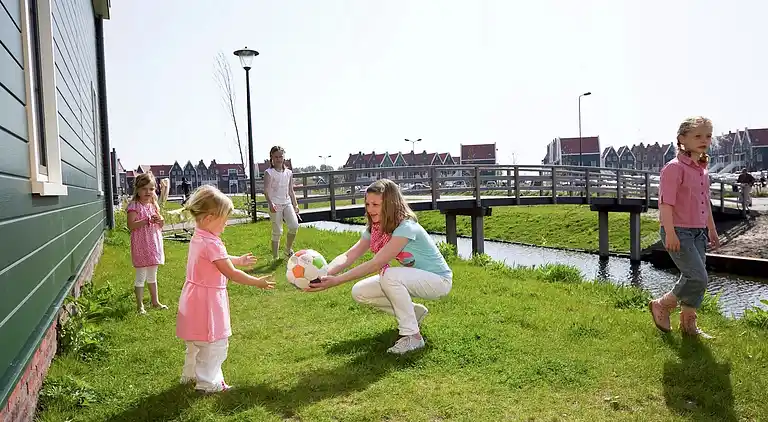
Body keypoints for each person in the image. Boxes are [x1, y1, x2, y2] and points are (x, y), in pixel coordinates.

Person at [305, 179, 453, 354]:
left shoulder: (406, 227)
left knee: (389, 275)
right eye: (367, 203)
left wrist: (337, 281)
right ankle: (414, 313)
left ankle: (412, 337)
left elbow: (376, 263)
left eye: (376, 204)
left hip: (438, 281)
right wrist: (322, 274)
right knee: (360, 291)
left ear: (390, 204)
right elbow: (349, 254)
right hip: (413, 277)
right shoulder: (376, 228)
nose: (370, 209)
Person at [175, 185, 276, 393]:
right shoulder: (212, 243)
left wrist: (237, 259)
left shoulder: (199, 236)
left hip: (194, 298)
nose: (226, 224)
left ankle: (190, 374)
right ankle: (208, 383)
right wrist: (257, 282)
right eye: (224, 219)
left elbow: (218, 261)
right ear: (209, 218)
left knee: (196, 341)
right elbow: (231, 273)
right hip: (208, 301)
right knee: (214, 344)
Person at [648, 116, 720, 339]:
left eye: (707, 135)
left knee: (694, 277)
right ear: (682, 139)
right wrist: (669, 232)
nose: (704, 140)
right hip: (678, 230)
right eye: (697, 135)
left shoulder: (702, 170)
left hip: (698, 231)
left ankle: (688, 325)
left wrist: (712, 229)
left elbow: (704, 202)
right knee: (698, 277)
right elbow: (665, 203)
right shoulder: (673, 168)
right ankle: (662, 304)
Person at [126, 172, 167, 314]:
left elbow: (160, 224)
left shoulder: (153, 205)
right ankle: (140, 306)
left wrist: (160, 221)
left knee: (152, 275)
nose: (148, 192)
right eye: (144, 189)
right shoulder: (134, 206)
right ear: (137, 189)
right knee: (141, 276)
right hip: (141, 245)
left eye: (151, 189)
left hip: (153, 244)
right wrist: (146, 221)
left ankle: (155, 301)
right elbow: (131, 225)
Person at [263, 146, 300, 260]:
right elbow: (266, 190)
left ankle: (288, 250)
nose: (278, 159)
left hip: (287, 203)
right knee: (277, 231)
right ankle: (275, 257)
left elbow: (290, 190)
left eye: (280, 157)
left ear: (284, 158)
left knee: (294, 225)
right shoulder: (269, 173)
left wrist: (295, 204)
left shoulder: (288, 173)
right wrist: (270, 203)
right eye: (276, 157)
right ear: (272, 158)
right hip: (275, 204)